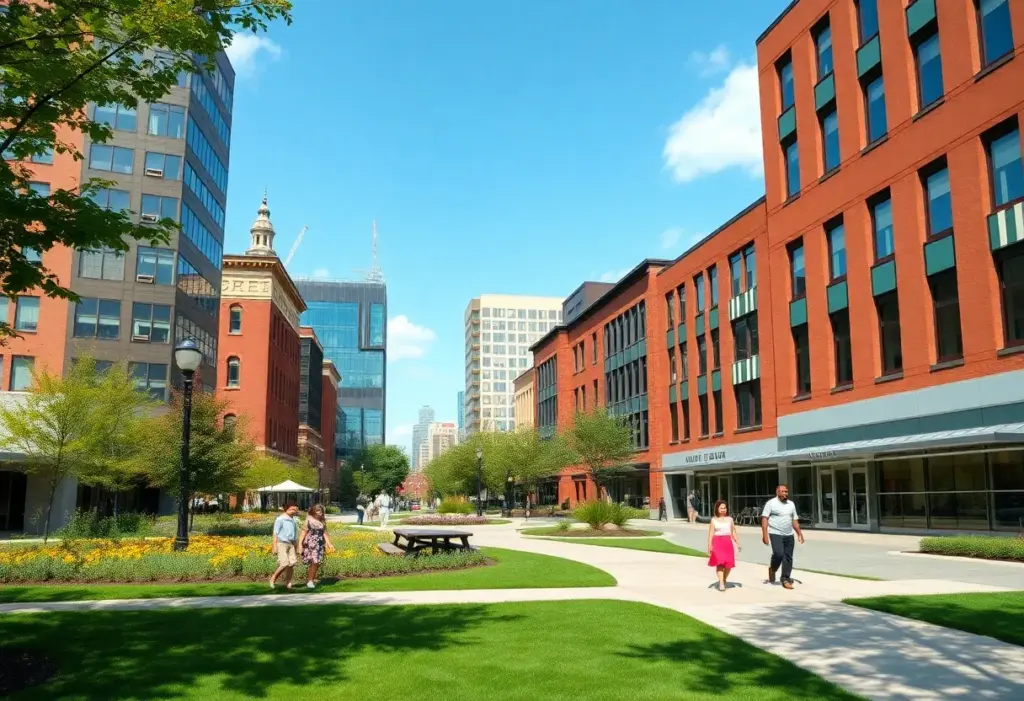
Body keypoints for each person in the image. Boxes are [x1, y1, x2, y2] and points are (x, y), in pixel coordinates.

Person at [761, 484, 805, 590]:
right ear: (777, 491)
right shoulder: (771, 503)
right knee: (779, 554)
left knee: (788, 557)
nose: (785, 493)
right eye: (783, 491)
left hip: (789, 534)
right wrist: (764, 534)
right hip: (775, 533)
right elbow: (764, 518)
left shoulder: (791, 504)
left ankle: (785, 578)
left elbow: (794, 520)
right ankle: (773, 568)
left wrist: (799, 533)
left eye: (786, 491)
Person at [298, 504, 335, 589]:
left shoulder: (322, 521)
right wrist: (300, 545)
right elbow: (303, 533)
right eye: (318, 511)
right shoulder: (309, 520)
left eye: (321, 511)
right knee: (314, 561)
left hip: (319, 543)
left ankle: (310, 580)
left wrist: (329, 544)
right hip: (311, 543)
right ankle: (310, 580)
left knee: (316, 562)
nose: (320, 513)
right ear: (314, 511)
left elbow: (325, 534)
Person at [707, 500, 740, 592]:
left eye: (724, 508)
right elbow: (710, 534)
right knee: (720, 563)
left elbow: (733, 531)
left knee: (728, 564)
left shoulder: (730, 519)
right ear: (717, 509)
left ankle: (724, 578)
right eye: (721, 508)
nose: (723, 510)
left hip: (728, 542)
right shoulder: (713, 520)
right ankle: (721, 582)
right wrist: (709, 546)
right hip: (717, 542)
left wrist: (737, 542)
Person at [270, 502, 300, 589]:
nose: (293, 511)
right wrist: (274, 546)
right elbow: (275, 533)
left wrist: (296, 546)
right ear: (285, 509)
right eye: (291, 509)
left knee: (292, 563)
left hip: (291, 544)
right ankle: (273, 578)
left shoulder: (293, 520)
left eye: (294, 509)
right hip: (282, 544)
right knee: (284, 563)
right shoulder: (280, 519)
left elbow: (295, 533)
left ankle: (288, 582)